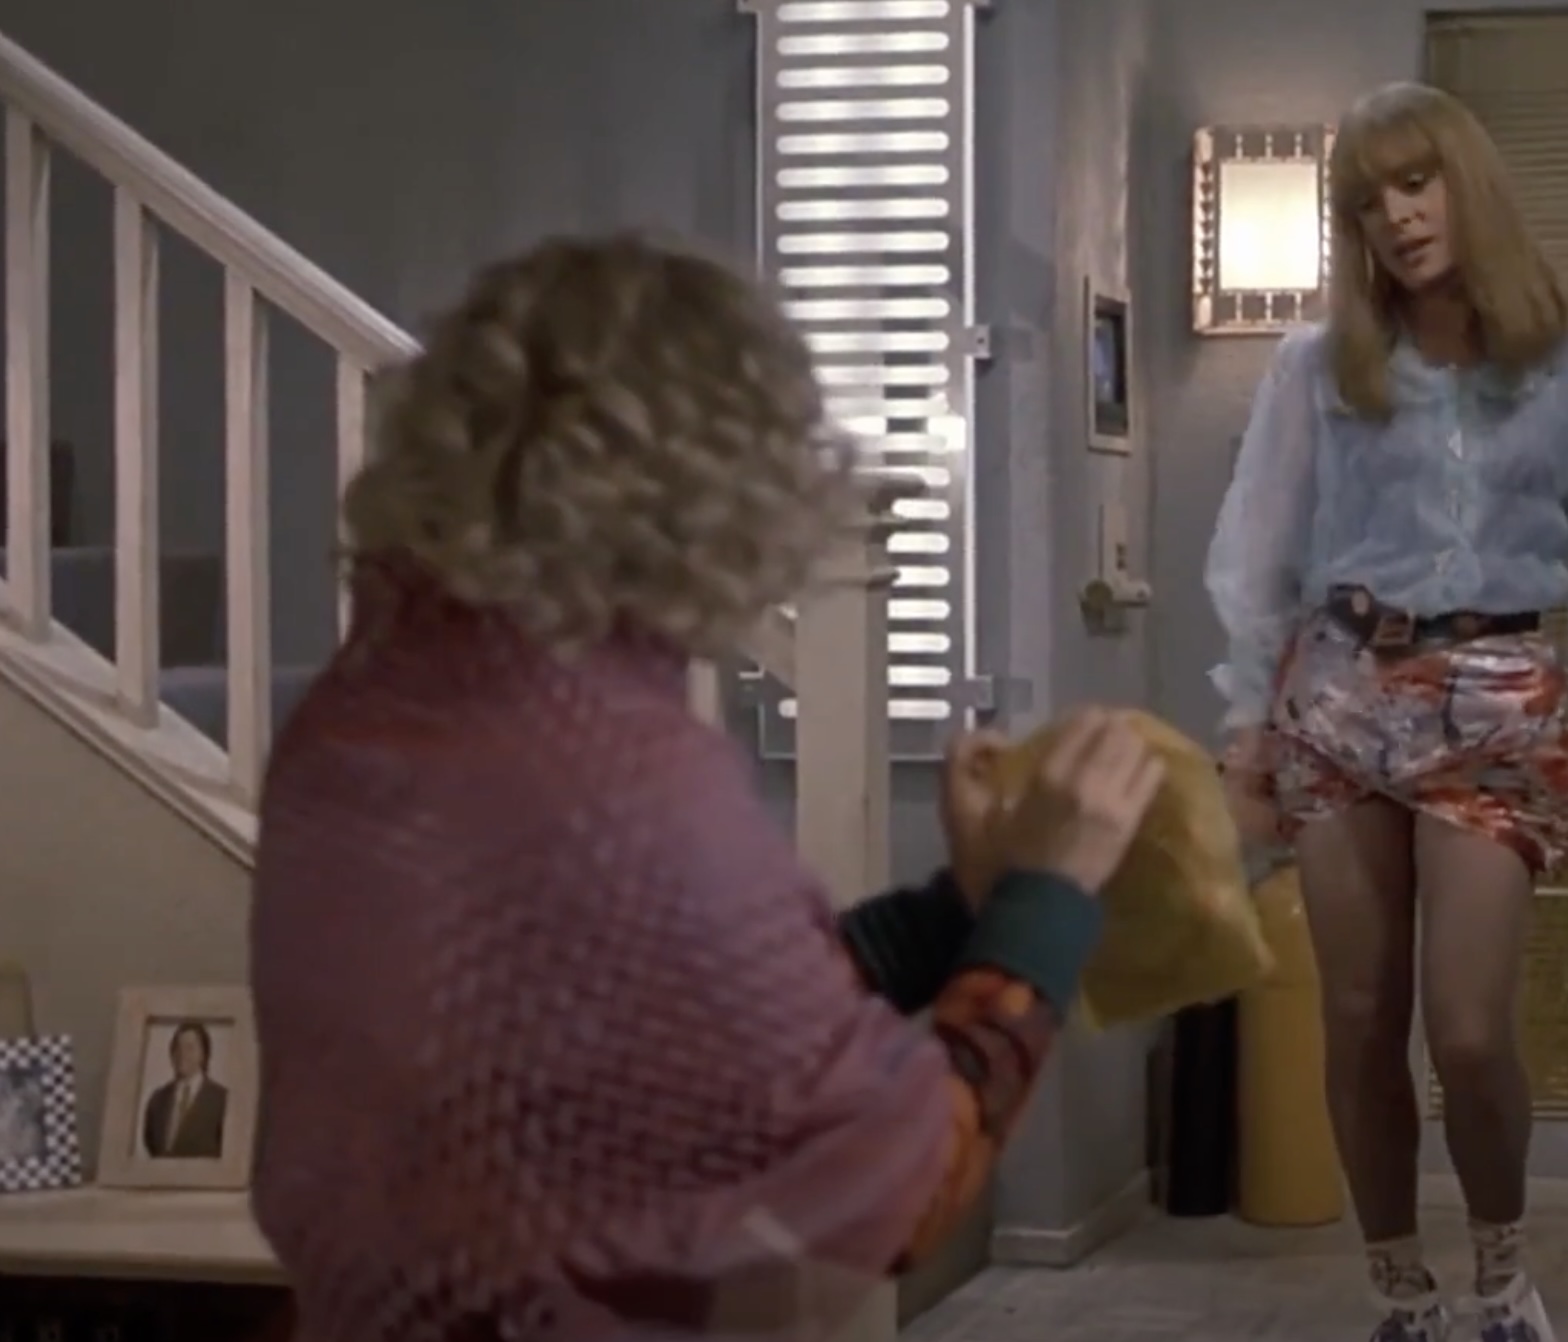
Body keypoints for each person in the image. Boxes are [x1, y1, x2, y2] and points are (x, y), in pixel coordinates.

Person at [247, 234, 1163, 1342]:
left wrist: (956, 910)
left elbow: (687, 1019)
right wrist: (1049, 898)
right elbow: (892, 1183)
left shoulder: (359, 714)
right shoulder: (616, 779)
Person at [1207, 80, 1568, 1342]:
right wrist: (1244, 727)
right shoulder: (1317, 366)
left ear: (1467, 184)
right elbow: (1260, 547)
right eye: (1370, 202)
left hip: (1496, 699)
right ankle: (1399, 1295)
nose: (1400, 218)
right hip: (1340, 693)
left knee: (1466, 1032)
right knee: (1358, 1017)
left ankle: (1501, 1275)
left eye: (1417, 184)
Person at [141, 1021, 229, 1159]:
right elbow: (151, 1144)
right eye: (178, 1048)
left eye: (190, 1048)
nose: (182, 1054)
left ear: (203, 1054)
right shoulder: (157, 1100)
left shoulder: (221, 1100)